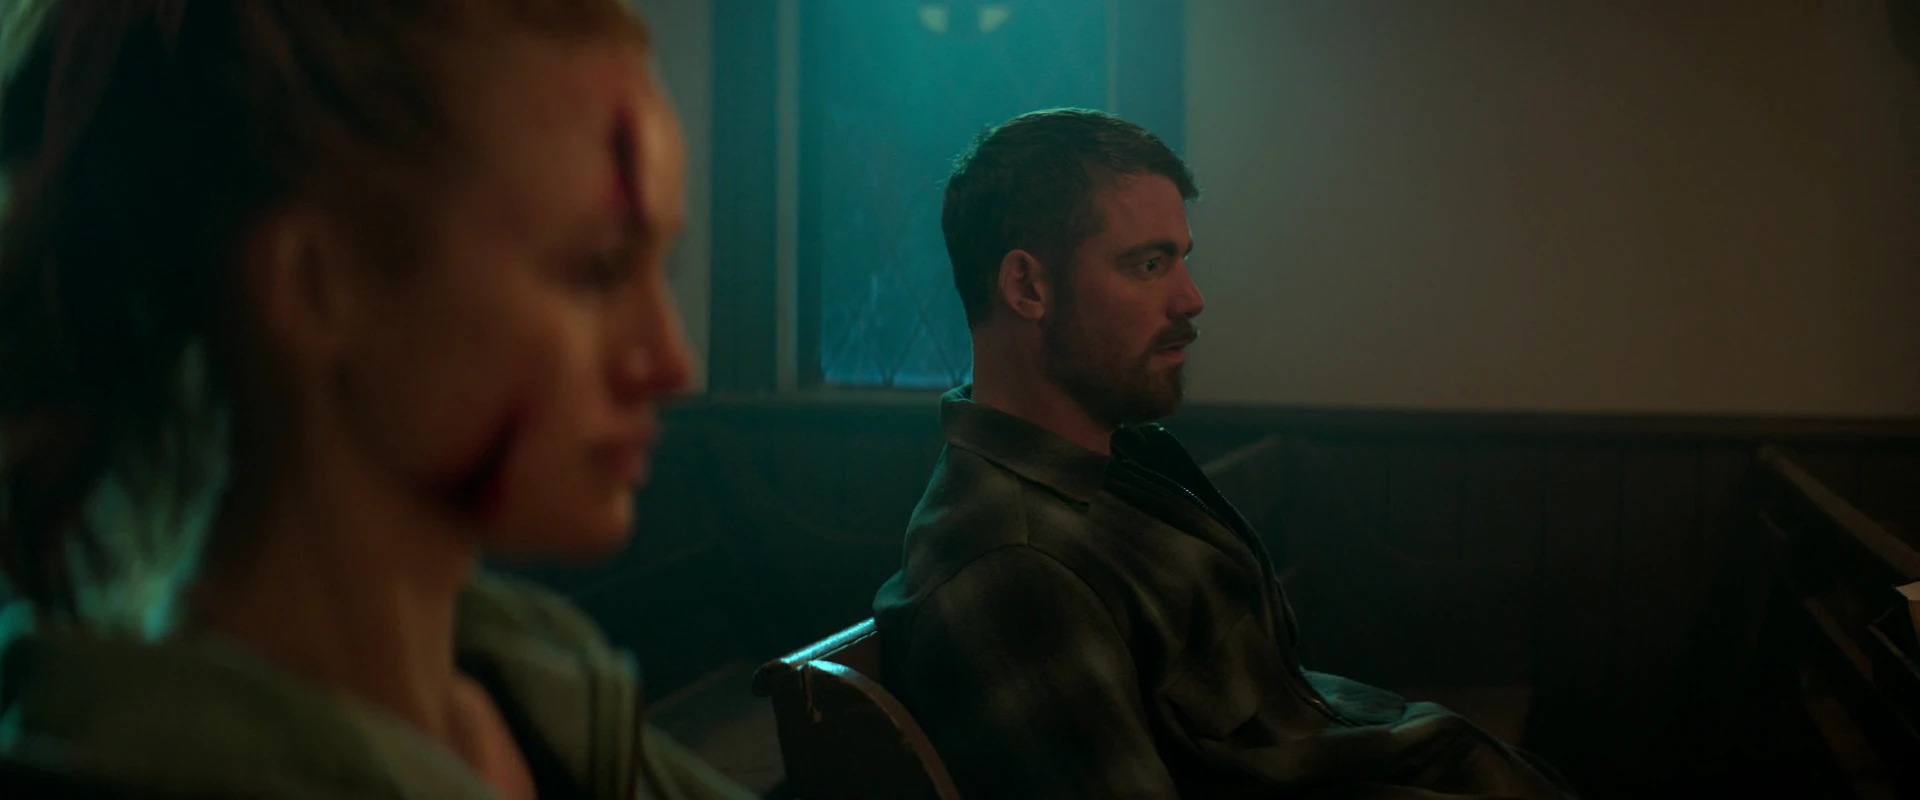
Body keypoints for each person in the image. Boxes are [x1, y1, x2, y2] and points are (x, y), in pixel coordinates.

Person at [0, 2, 753, 798]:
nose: (673, 364)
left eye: (662, 270)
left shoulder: (537, 700)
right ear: (317, 286)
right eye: (598, 270)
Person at [872, 108, 1577, 799]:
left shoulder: (1121, 459)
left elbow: (1276, 721)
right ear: (1028, 287)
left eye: (1182, 260)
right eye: (1149, 264)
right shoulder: (1012, 568)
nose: (1191, 298)